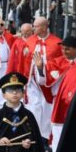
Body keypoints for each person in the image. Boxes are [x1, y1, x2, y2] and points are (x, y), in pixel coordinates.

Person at [23, 17, 63, 145]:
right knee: (34, 108)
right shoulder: (29, 41)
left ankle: (46, 138)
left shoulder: (57, 43)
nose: (33, 29)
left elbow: (60, 63)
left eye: (36, 26)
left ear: (45, 27)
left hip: (49, 83)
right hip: (32, 82)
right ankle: (34, 136)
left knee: (47, 109)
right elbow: (23, 60)